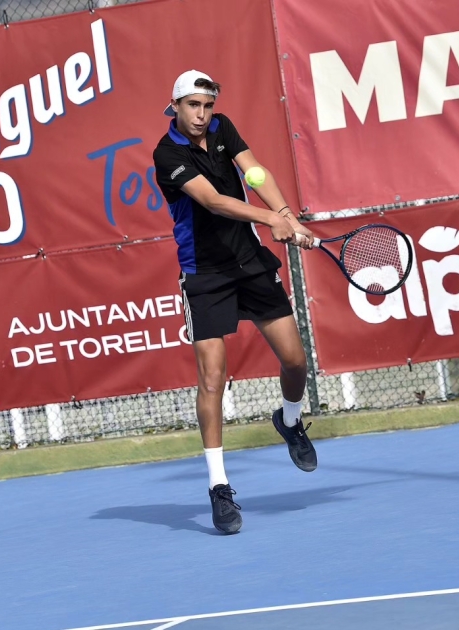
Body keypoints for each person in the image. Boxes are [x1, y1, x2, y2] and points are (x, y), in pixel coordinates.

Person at [153, 69, 317, 535]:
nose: (202, 115)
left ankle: (289, 421)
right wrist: (271, 218)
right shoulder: (167, 155)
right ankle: (219, 487)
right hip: (205, 275)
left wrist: (287, 216)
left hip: (249, 263)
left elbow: (254, 170)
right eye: (193, 106)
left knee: (295, 362)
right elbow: (215, 202)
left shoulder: (223, 128)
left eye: (207, 105)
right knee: (212, 379)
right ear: (176, 106)